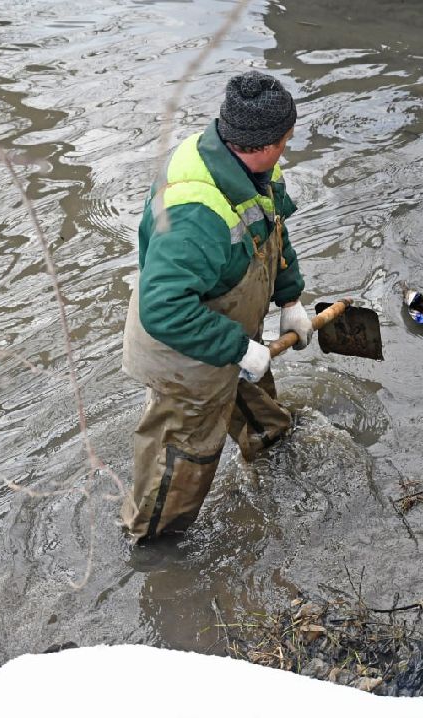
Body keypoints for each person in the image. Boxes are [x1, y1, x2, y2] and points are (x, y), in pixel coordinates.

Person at [119, 71, 313, 543]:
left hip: (230, 331)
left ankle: (271, 448)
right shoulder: (195, 211)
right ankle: (152, 548)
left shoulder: (254, 164)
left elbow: (274, 230)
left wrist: (290, 297)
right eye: (287, 139)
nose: (288, 146)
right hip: (185, 354)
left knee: (259, 406)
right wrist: (235, 347)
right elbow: (163, 310)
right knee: (183, 458)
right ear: (265, 143)